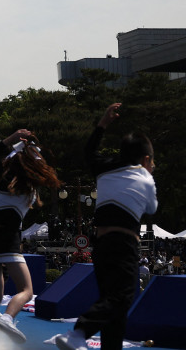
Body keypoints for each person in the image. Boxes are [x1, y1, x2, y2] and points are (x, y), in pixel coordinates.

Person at [56, 103, 158, 350]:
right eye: (152, 161)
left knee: (114, 307)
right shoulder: (145, 177)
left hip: (101, 245)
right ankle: (80, 330)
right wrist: (147, 174)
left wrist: (102, 124)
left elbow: (89, 151)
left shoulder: (103, 168)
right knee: (122, 297)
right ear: (146, 159)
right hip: (124, 245)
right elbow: (152, 209)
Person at [0, 127, 61, 342]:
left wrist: (14, 141)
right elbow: (41, 164)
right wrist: (30, 146)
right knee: (26, 289)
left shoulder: (2, 183)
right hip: (9, 238)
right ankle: (7, 318)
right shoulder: (29, 187)